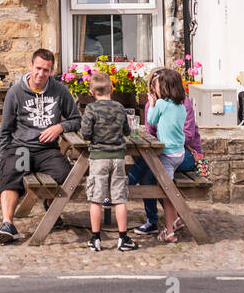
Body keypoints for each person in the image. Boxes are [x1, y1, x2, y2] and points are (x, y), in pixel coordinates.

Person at [0, 48, 81, 244]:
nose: (41, 74)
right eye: (38, 68)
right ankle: (8, 224)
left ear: (52, 71)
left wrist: (59, 127)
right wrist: (0, 159)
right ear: (30, 66)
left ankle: (51, 205)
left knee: (66, 175)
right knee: (12, 173)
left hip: (47, 151)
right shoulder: (15, 93)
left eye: (46, 70)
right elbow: (5, 131)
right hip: (22, 149)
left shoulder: (60, 91)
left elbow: (77, 120)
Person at [130, 68, 203, 237]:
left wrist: (166, 142)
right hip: (164, 152)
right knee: (148, 169)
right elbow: (150, 131)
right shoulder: (153, 104)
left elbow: (188, 135)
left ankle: (127, 189)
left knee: (149, 172)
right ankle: (155, 221)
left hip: (186, 154)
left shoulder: (182, 104)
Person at [79, 71, 137, 251]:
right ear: (111, 89)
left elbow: (86, 133)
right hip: (118, 158)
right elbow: (127, 131)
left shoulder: (90, 109)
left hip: (98, 158)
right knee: (120, 198)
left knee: (96, 198)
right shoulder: (119, 107)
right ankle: (123, 237)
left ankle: (95, 238)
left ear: (92, 92)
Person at [145, 68, 189, 244]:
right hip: (180, 153)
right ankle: (176, 219)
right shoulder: (181, 106)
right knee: (167, 189)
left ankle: (169, 231)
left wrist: (152, 105)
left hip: (167, 155)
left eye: (156, 86)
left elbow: (151, 120)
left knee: (167, 194)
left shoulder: (162, 104)